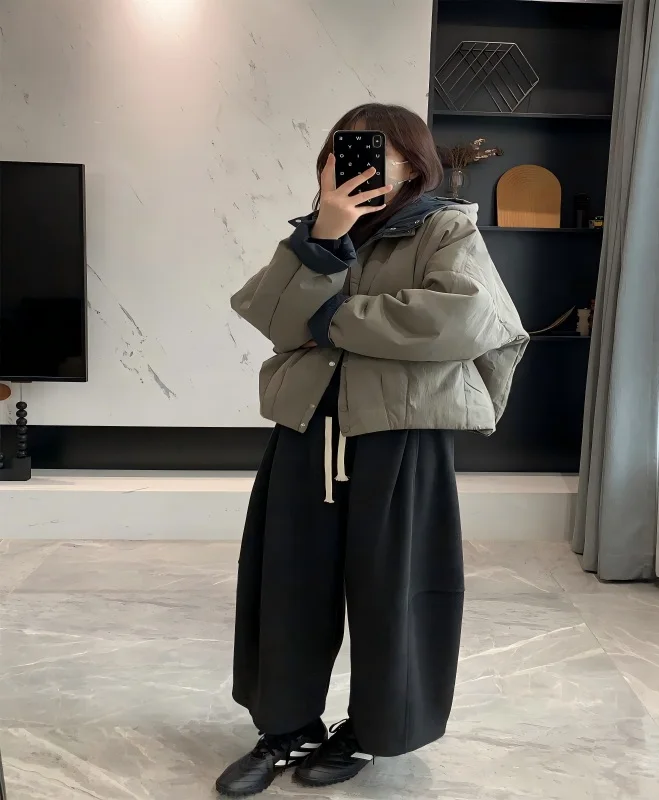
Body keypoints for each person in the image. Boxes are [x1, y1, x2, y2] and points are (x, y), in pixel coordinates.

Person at [215, 103, 528, 797]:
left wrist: (333, 318)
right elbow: (271, 319)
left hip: (401, 437)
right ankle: (286, 728)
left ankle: (376, 729)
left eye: (373, 150)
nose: (351, 162)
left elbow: (466, 318)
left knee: (397, 592)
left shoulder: (445, 227)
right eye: (341, 150)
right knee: (288, 584)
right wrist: (324, 237)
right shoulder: (310, 236)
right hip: (307, 432)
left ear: (413, 164)